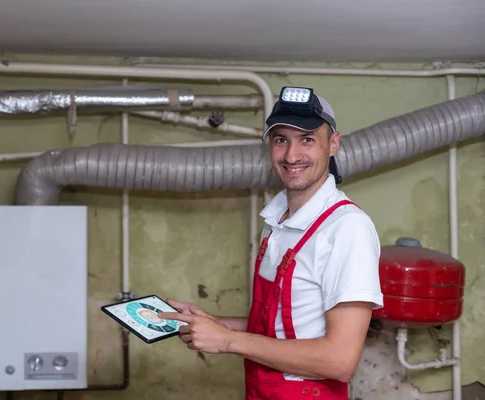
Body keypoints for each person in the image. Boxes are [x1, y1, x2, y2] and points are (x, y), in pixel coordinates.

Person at [158, 86, 384, 399]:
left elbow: (340, 360)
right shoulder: (277, 222)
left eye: (307, 139)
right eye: (281, 140)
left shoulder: (347, 229)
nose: (292, 156)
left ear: (333, 144)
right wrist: (214, 324)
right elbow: (274, 328)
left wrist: (227, 341)